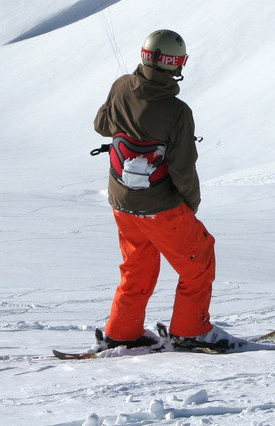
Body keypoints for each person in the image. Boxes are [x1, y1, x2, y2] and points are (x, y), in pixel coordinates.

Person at [91, 29, 237, 352]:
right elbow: (183, 167)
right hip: (160, 207)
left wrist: (125, 97)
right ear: (175, 65)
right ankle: (191, 330)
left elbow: (101, 125)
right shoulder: (177, 112)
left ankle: (122, 332)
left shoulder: (121, 87)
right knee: (198, 259)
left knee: (137, 266)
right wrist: (191, 204)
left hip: (122, 202)